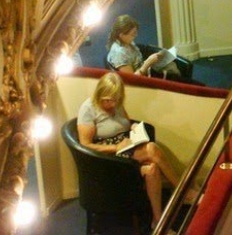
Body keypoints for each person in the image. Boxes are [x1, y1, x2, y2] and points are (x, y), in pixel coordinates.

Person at [77, 73, 197, 227]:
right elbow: (85, 145)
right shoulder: (88, 109)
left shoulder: (117, 103)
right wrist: (115, 147)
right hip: (108, 157)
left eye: (115, 100)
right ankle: (183, 191)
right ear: (99, 94)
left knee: (152, 169)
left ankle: (157, 221)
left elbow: (126, 123)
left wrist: (133, 128)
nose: (112, 104)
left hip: (125, 147)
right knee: (152, 149)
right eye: (107, 100)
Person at [106, 14, 180, 78]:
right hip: (142, 78)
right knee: (171, 70)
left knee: (171, 64)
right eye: (133, 34)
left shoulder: (127, 42)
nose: (136, 36)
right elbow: (132, 79)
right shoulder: (119, 54)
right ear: (121, 35)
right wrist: (148, 63)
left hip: (144, 68)